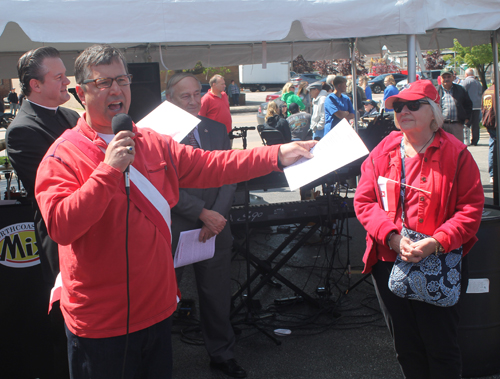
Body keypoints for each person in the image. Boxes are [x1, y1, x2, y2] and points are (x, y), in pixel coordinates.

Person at [34, 44, 315, 379]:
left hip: (156, 310)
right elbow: (61, 227)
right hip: (100, 323)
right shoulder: (62, 155)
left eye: (122, 80)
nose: (116, 90)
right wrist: (108, 173)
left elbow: (213, 165)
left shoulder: (153, 142)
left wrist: (276, 155)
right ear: (80, 93)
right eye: (103, 83)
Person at [354, 80, 484, 379]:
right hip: (389, 261)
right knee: (407, 348)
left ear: (434, 112)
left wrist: (435, 242)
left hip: (439, 260)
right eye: (399, 107)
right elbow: (364, 201)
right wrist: (393, 237)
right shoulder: (383, 150)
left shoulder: (456, 153)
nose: (404, 111)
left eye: (413, 105)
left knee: (441, 348)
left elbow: (470, 210)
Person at [6, 46, 80, 379]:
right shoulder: (23, 130)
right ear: (35, 85)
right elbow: (56, 188)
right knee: (65, 323)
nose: (68, 81)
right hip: (62, 238)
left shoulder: (70, 116)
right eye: (59, 76)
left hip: (88, 225)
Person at [165, 73, 245, 378]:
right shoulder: (155, 134)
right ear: (169, 99)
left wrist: (216, 216)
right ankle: (157, 361)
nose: (193, 101)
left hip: (215, 228)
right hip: (172, 229)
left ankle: (222, 354)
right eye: (184, 96)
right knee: (163, 300)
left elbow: (228, 174)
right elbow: (161, 183)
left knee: (216, 297)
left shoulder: (214, 128)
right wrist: (202, 212)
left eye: (197, 94)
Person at [438, 68, 472, 141]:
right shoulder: (436, 91)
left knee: (458, 149)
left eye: (449, 76)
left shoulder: (460, 89)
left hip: (457, 125)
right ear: (440, 78)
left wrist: (466, 118)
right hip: (442, 126)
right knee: (443, 148)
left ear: (453, 77)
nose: (446, 79)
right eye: (444, 77)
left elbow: (468, 104)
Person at [461, 68, 483, 145]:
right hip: (477, 105)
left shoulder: (465, 82)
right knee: (476, 124)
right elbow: (480, 92)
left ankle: (466, 140)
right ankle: (475, 140)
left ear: (466, 74)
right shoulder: (478, 82)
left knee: (467, 123)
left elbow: (461, 92)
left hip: (468, 106)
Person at [482, 82, 497, 184]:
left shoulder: (487, 91)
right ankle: (493, 173)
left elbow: (483, 108)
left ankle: (492, 174)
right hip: (496, 122)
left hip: (489, 121)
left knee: (492, 147)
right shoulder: (497, 92)